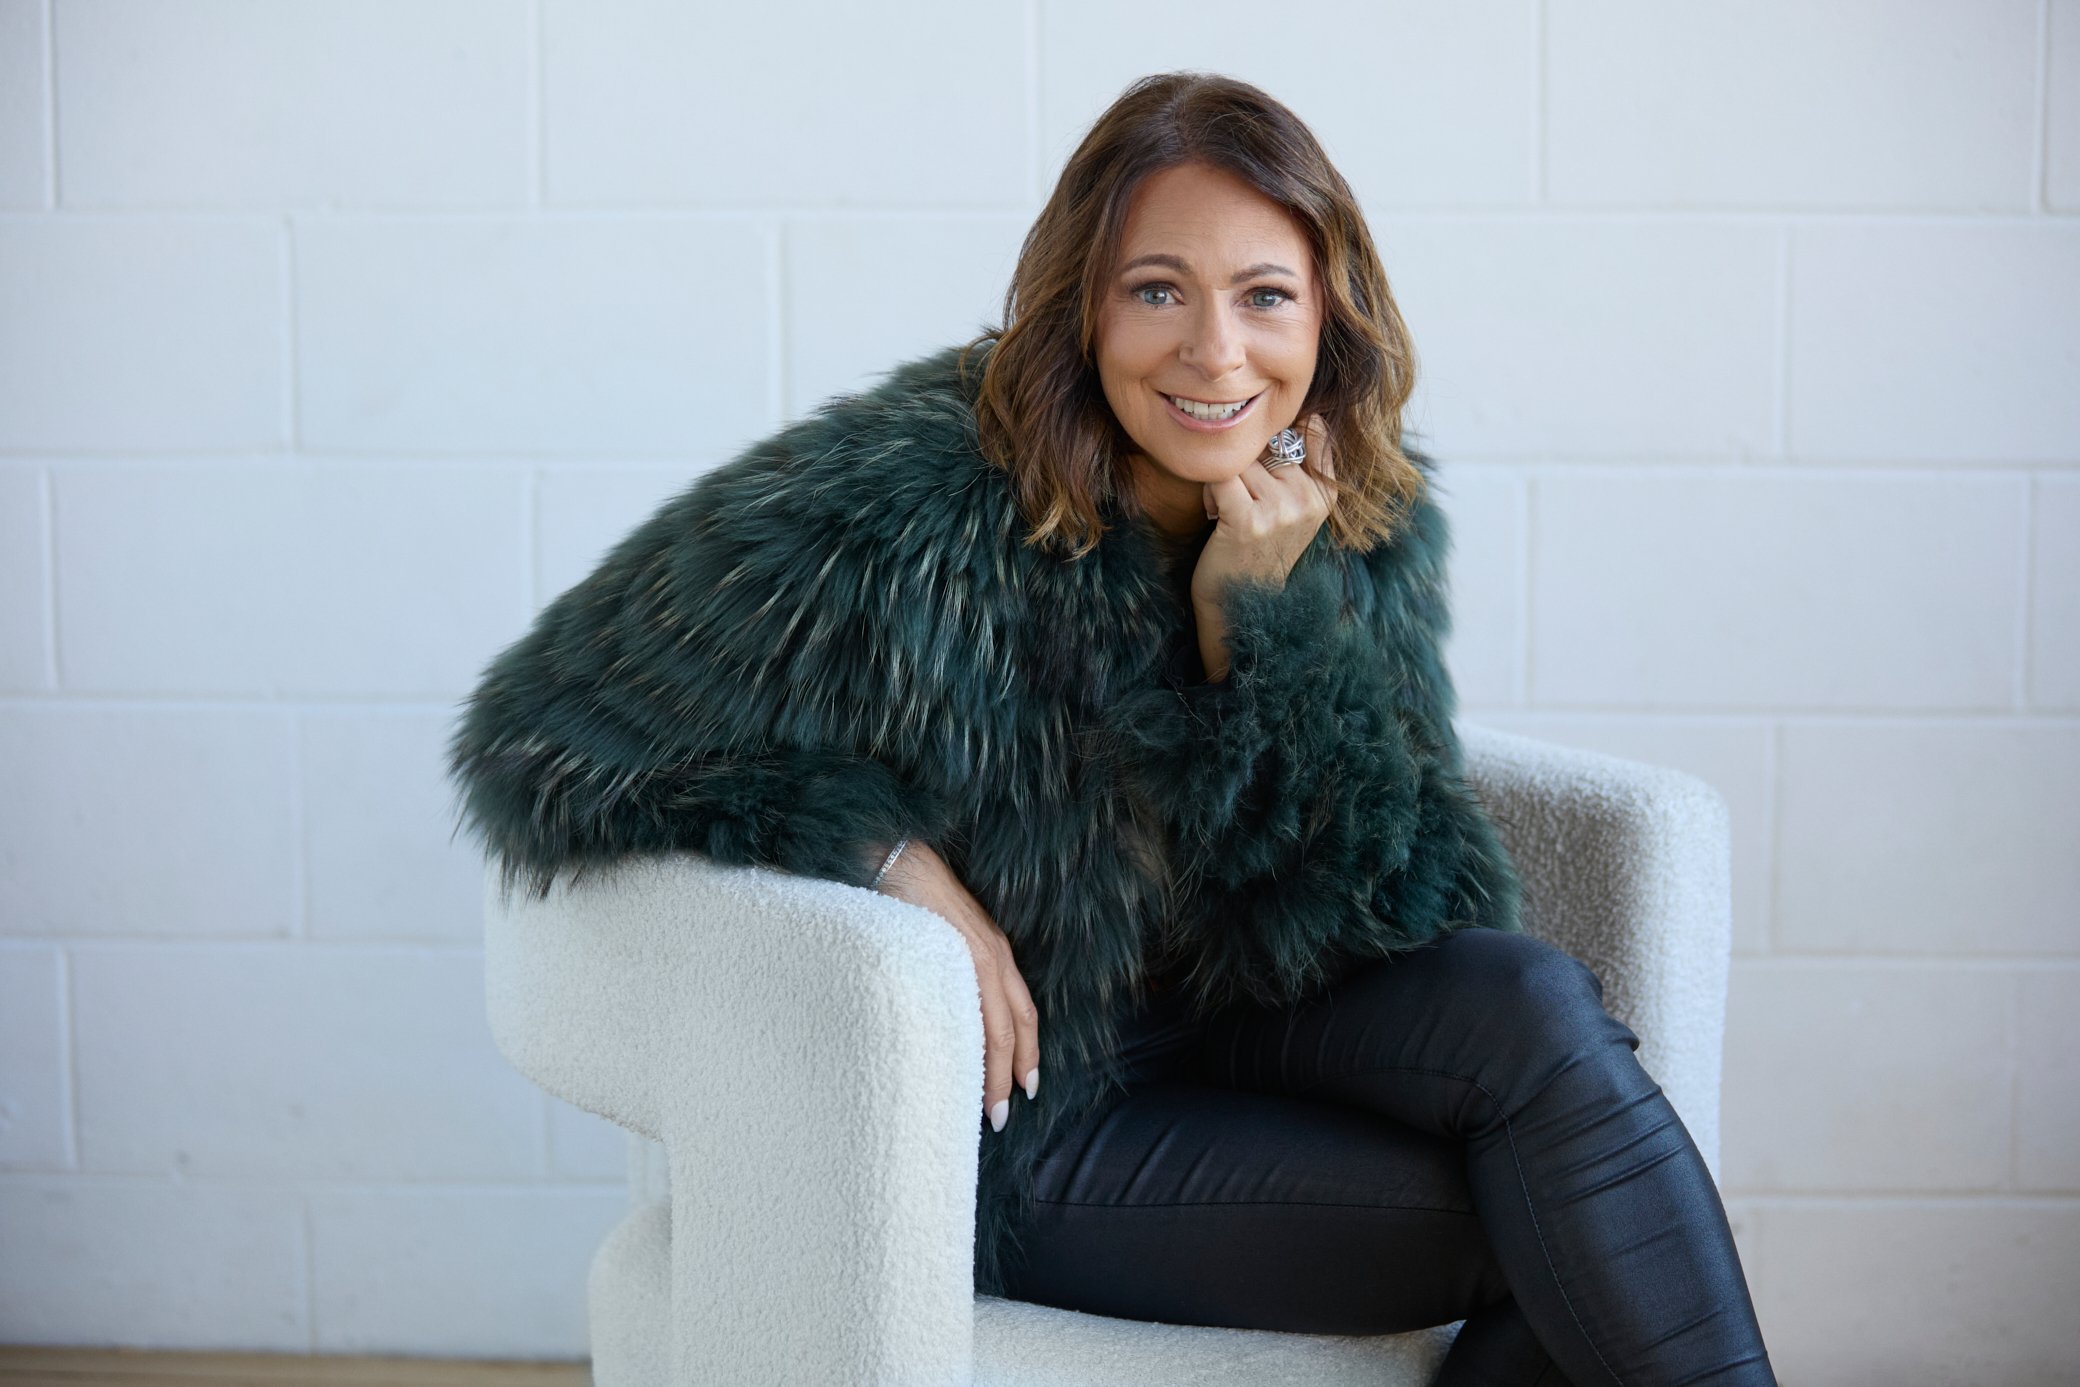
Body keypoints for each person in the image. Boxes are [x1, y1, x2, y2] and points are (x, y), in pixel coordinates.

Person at [447, 71, 1777, 1386]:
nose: (1215, 355)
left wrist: (1262, 631)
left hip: (1254, 1020)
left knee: (1536, 1014)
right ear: (1083, 307)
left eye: (1265, 297)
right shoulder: (910, 498)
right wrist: (888, 859)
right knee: (1588, 1210)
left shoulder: (1356, 507)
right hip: (1045, 1117)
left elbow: (1393, 913)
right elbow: (538, 735)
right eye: (1158, 292)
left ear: (1329, 320)